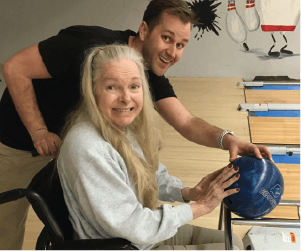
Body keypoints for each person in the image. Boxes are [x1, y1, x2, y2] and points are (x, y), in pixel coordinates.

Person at [0, 0, 272, 249]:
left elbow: (186, 122)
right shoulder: (84, 46)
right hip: (21, 137)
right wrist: (38, 131)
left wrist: (227, 143)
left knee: (232, 243)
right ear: (144, 30)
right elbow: (14, 68)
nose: (173, 52)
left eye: (181, 44)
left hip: (82, 144)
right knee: (5, 227)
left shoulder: (135, 94)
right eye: (167, 38)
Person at [57, 44, 244, 251]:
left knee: (234, 241)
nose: (126, 98)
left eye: (134, 86)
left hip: (141, 238)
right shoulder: (88, 147)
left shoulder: (119, 127)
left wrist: (189, 192)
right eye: (112, 87)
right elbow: (135, 224)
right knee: (232, 249)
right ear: (93, 90)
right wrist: (201, 207)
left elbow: (150, 176)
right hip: (125, 245)